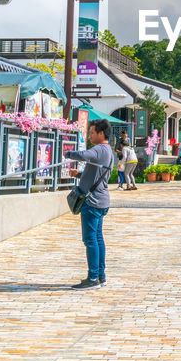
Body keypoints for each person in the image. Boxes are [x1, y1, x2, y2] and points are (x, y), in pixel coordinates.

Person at [67, 119, 114, 288]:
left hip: (92, 202)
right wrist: (80, 174)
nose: (90, 136)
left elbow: (84, 155)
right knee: (98, 239)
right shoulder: (107, 151)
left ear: (101, 133)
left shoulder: (100, 148)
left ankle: (93, 277)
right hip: (101, 200)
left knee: (90, 240)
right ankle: (100, 276)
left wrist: (68, 153)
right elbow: (96, 175)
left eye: (92, 133)